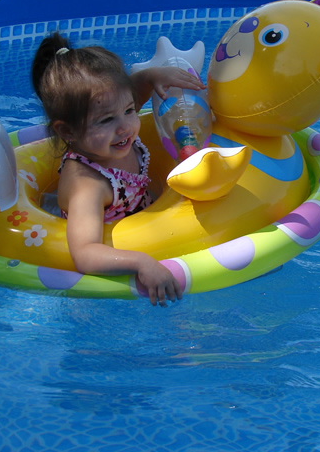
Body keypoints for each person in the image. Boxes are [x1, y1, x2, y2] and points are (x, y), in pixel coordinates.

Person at [31, 32, 204, 306]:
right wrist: (142, 262)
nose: (125, 127)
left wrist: (153, 76)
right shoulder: (87, 185)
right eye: (106, 120)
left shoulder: (113, 135)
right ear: (67, 131)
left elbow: (132, 93)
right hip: (117, 271)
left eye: (129, 110)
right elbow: (85, 253)